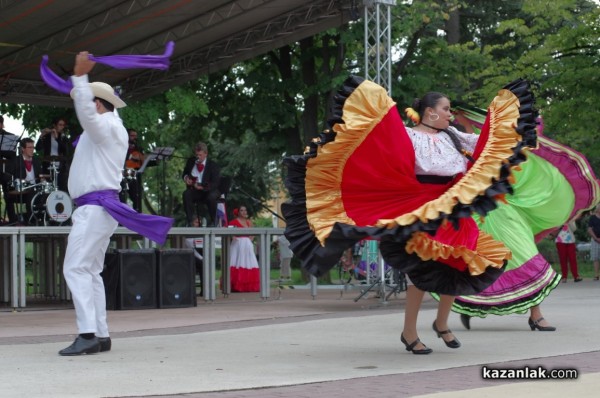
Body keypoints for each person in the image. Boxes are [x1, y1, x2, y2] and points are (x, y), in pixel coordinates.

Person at [282, 76, 538, 354]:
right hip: (420, 207)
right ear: (431, 112)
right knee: (421, 272)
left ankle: (442, 324)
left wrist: (506, 113)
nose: (450, 114)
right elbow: (384, 149)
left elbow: (487, 143)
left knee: (458, 263)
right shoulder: (408, 135)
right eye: (446, 109)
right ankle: (410, 332)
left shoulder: (453, 136)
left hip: (451, 208)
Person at [59, 51, 173, 356]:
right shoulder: (113, 128)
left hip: (94, 208)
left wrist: (80, 78)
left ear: (97, 104)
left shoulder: (105, 127)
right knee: (90, 270)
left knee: (76, 268)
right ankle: (100, 334)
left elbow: (87, 115)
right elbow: (90, 117)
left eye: (90, 103)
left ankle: (87, 334)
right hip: (99, 209)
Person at [446, 105, 599, 332]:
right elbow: (474, 145)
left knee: (527, 256)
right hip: (479, 215)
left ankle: (535, 314)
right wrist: (466, 121)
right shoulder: (471, 149)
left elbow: (528, 137)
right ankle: (473, 306)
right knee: (476, 264)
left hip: (505, 212)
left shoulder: (508, 150)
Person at [3, 138, 42, 225]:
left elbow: (40, 176)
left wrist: (42, 179)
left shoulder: (36, 161)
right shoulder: (15, 161)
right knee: (30, 193)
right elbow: (7, 176)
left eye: (33, 147)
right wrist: (17, 180)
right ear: (22, 149)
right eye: (29, 147)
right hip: (20, 190)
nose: (32, 150)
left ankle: (42, 220)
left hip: (35, 189)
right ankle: (28, 221)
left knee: (45, 194)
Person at [182, 142, 221, 227]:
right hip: (195, 190)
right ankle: (190, 221)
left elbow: (215, 183)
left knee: (211, 197)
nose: (198, 157)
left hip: (209, 190)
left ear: (206, 154)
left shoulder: (212, 165)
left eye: (200, 155)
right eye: (196, 155)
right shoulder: (191, 161)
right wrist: (186, 178)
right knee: (186, 194)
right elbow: (184, 173)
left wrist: (203, 187)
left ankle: (214, 221)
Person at [228, 206, 260, 292]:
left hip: (247, 245)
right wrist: (233, 237)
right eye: (241, 210)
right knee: (237, 262)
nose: (244, 212)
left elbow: (253, 232)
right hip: (238, 244)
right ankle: (235, 285)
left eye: (245, 210)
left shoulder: (249, 222)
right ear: (238, 212)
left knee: (248, 263)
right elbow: (229, 232)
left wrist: (250, 239)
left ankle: (248, 285)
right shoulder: (233, 222)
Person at [35, 116, 70, 192]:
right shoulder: (47, 136)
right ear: (55, 125)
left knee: (61, 189)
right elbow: (38, 148)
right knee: (48, 190)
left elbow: (65, 151)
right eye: (60, 125)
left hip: (60, 168)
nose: (62, 127)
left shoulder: (63, 137)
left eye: (63, 125)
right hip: (48, 166)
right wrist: (41, 136)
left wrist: (57, 138)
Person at [122, 128, 144, 211]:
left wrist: (156, 161)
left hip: (135, 174)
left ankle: (137, 214)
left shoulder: (138, 149)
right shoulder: (123, 146)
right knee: (122, 195)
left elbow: (143, 162)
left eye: (136, 136)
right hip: (121, 173)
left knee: (137, 195)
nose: (134, 138)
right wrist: (131, 156)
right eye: (132, 136)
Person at [588, 205, 600, 281]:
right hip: (595, 240)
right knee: (595, 258)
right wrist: (596, 238)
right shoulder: (592, 218)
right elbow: (589, 229)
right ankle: (596, 274)